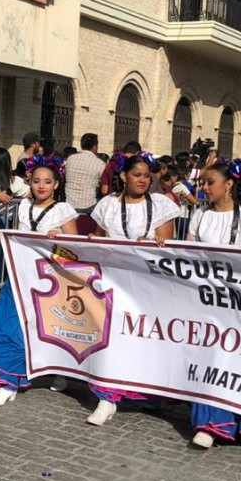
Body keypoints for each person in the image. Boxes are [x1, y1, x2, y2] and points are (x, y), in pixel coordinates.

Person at [0, 155, 78, 406]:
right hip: (19, 277)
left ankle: (56, 369)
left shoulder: (63, 210)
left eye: (47, 182)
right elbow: (15, 242)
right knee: (9, 328)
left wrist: (58, 239)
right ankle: (8, 381)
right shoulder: (23, 206)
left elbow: (75, 252)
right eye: (36, 181)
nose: (41, 186)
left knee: (49, 332)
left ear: (56, 185)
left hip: (51, 282)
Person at [85, 152, 177, 425]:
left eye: (147, 176)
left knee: (143, 339)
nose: (143, 180)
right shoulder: (108, 204)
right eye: (137, 175)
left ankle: (146, 392)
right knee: (112, 340)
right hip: (113, 283)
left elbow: (166, 243)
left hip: (148, 285)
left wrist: (148, 243)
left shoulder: (160, 204)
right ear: (124, 176)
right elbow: (98, 238)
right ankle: (106, 397)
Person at [185, 160, 241, 447]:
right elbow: (190, 254)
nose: (204, 188)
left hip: (237, 298)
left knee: (238, 359)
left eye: (210, 183)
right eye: (203, 183)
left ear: (229, 184)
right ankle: (209, 423)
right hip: (205, 296)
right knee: (210, 357)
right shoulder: (200, 215)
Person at [64, 134, 104, 213]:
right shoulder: (99, 163)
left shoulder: (70, 159)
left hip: (69, 204)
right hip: (89, 206)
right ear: (94, 147)